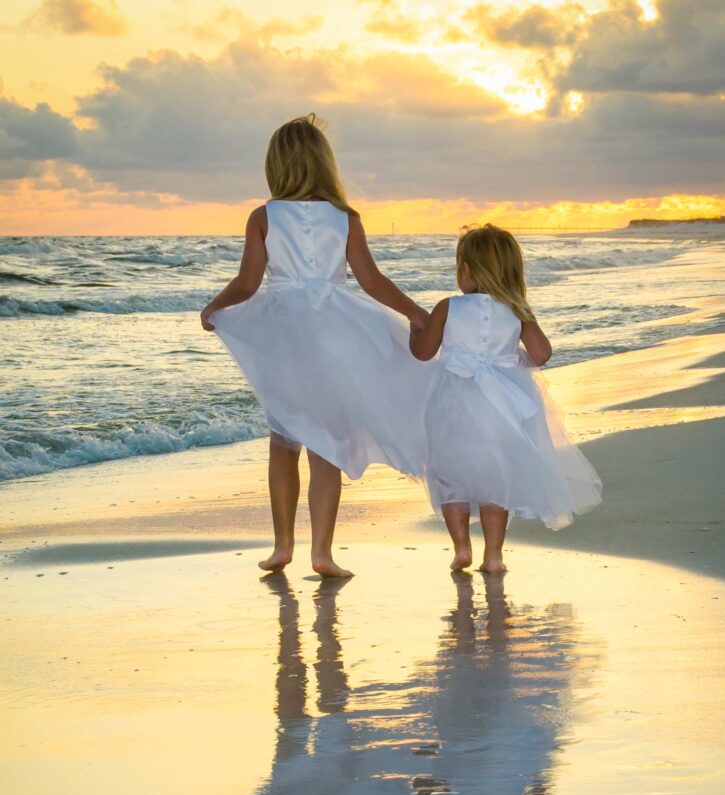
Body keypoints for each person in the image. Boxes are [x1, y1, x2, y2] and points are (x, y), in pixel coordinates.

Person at [201, 113, 431, 578]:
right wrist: (414, 312)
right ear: (324, 163)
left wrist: (213, 308)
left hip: (284, 335)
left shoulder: (264, 217)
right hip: (338, 333)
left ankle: (282, 545)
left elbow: (247, 283)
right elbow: (371, 281)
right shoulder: (346, 218)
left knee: (284, 440)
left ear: (277, 165)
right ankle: (322, 552)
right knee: (327, 442)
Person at [410, 223, 602, 573]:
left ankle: (461, 549)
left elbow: (424, 353)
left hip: (452, 401)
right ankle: (494, 555)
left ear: (467, 269)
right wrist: (513, 362)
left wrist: (415, 332)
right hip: (503, 403)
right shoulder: (517, 310)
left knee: (450, 474)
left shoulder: (447, 307)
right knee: (496, 478)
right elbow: (542, 353)